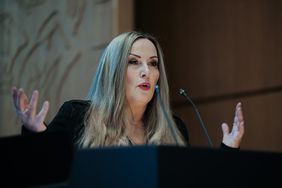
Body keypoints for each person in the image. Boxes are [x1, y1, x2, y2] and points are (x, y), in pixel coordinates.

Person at [12, 31, 244, 149]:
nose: (147, 71)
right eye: (134, 62)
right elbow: (46, 173)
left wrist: (228, 151)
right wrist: (35, 133)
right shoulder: (77, 116)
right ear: (113, 71)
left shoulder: (174, 129)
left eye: (153, 64)